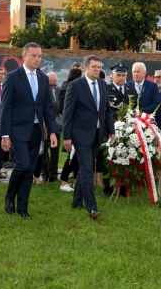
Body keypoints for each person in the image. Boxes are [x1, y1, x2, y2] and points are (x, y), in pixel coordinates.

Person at [1, 42, 58, 220]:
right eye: (33, 56)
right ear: (24, 56)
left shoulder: (43, 78)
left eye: (39, 56)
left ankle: (23, 208)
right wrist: (5, 134)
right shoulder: (12, 77)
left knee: (30, 169)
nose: (37, 59)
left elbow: (48, 108)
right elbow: (5, 108)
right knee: (23, 165)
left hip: (36, 131)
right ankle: (10, 196)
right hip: (17, 130)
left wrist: (53, 132)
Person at [63, 55, 115, 219]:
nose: (97, 70)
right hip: (80, 135)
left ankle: (77, 201)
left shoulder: (102, 85)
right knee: (87, 170)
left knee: (84, 170)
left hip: (97, 134)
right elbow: (68, 113)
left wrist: (111, 129)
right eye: (94, 67)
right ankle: (92, 207)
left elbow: (106, 110)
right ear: (85, 68)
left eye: (99, 67)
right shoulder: (75, 86)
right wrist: (67, 137)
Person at [103, 62, 138, 197]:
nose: (121, 78)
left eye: (124, 75)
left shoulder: (131, 90)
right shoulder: (106, 89)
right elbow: (104, 109)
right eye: (118, 75)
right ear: (112, 76)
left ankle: (124, 187)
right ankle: (108, 188)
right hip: (111, 129)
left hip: (128, 131)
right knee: (109, 158)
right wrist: (117, 116)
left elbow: (136, 108)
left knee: (126, 156)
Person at [58, 68, 83, 192]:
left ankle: (76, 182)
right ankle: (63, 182)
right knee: (71, 157)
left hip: (81, 129)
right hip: (73, 129)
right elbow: (65, 111)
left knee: (78, 158)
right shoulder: (68, 89)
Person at [47, 72, 61, 182]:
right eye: (50, 85)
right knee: (43, 152)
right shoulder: (42, 91)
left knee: (55, 151)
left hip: (56, 125)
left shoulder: (58, 91)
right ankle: (44, 172)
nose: (53, 87)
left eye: (54, 84)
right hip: (44, 125)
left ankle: (54, 174)